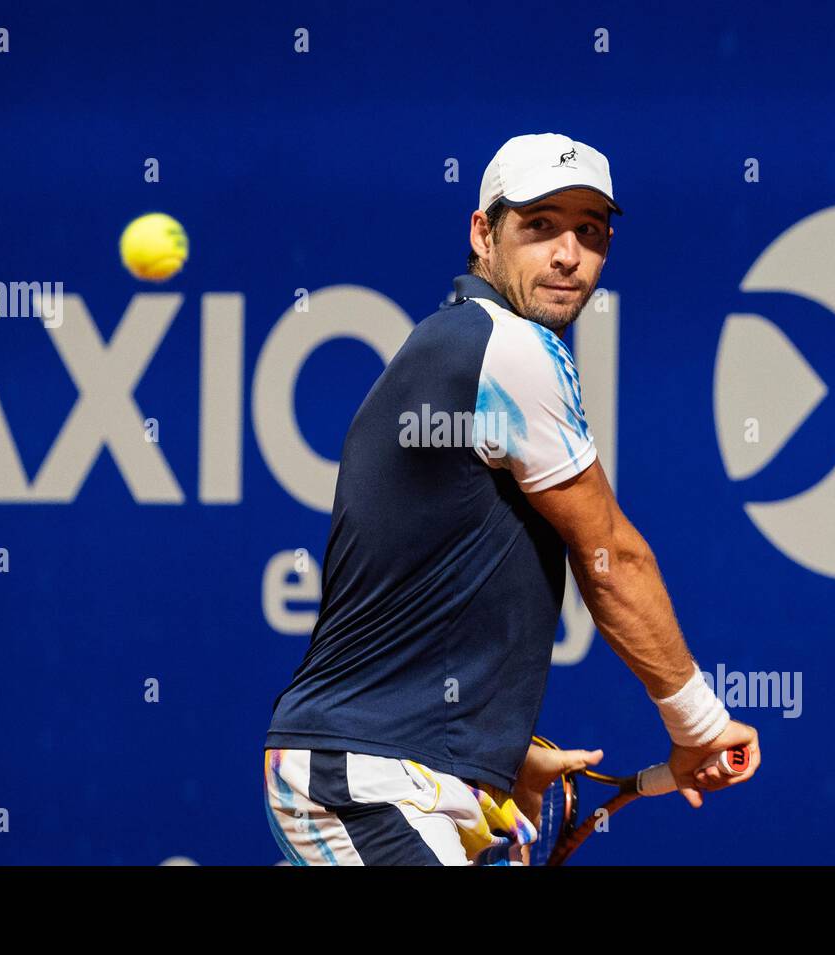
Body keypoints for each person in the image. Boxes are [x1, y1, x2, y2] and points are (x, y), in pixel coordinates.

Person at [264, 133, 759, 865]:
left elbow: (418, 587)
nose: (568, 255)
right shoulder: (506, 348)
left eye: (589, 233)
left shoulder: (459, 346)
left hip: (398, 769)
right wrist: (698, 722)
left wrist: (492, 744)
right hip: (364, 779)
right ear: (482, 234)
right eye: (540, 226)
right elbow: (610, 557)